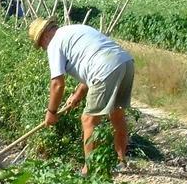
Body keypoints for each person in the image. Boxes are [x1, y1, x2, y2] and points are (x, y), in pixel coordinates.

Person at [28, 17, 134, 174]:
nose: (43, 48)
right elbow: (93, 63)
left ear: (44, 36)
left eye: (41, 45)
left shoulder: (54, 44)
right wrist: (78, 94)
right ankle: (121, 161)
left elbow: (58, 84)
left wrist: (51, 112)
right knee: (117, 115)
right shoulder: (76, 29)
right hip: (125, 63)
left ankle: (88, 171)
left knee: (89, 120)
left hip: (105, 68)